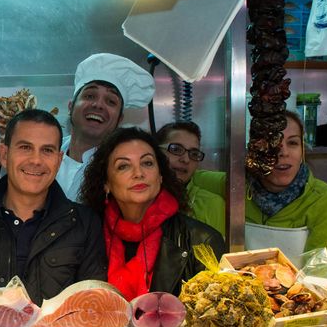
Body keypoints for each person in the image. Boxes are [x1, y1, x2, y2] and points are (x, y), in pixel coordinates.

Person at [0, 109, 106, 303]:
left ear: (58, 160)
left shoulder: (85, 224)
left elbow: (94, 305)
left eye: (47, 150)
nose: (36, 160)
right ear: (4, 154)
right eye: (25, 147)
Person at [0, 53, 155, 199]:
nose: (98, 105)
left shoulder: (122, 169)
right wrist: (10, 140)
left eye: (111, 101)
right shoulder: (41, 152)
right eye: (90, 96)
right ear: (71, 107)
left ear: (120, 119)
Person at [81, 127, 225, 299]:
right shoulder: (85, 235)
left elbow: (213, 317)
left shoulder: (202, 241)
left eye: (147, 163)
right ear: (106, 183)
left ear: (161, 175)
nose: (139, 173)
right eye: (124, 166)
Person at [196, 111, 327, 264]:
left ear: (302, 151)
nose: (283, 153)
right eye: (272, 145)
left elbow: (322, 275)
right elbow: (187, 178)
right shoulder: (235, 187)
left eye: (292, 143)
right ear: (255, 152)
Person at [156, 121, 225, 237]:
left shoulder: (212, 205)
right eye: (176, 149)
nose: (186, 160)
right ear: (155, 152)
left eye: (194, 154)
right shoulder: (139, 198)